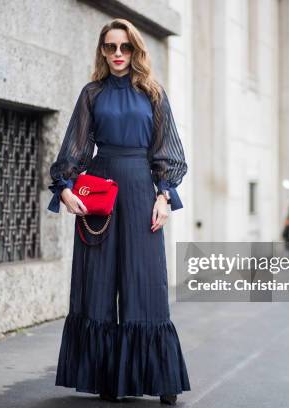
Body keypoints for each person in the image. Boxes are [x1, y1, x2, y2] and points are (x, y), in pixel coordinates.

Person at [47, 18, 191, 405]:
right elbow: (75, 147)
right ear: (102, 50)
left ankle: (161, 379)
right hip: (101, 193)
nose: (117, 55)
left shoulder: (153, 94)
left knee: (145, 281)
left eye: (124, 47)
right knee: (97, 281)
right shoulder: (92, 94)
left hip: (143, 191)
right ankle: (108, 377)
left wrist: (164, 198)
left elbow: (170, 154)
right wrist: (64, 189)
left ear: (136, 50)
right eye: (110, 47)